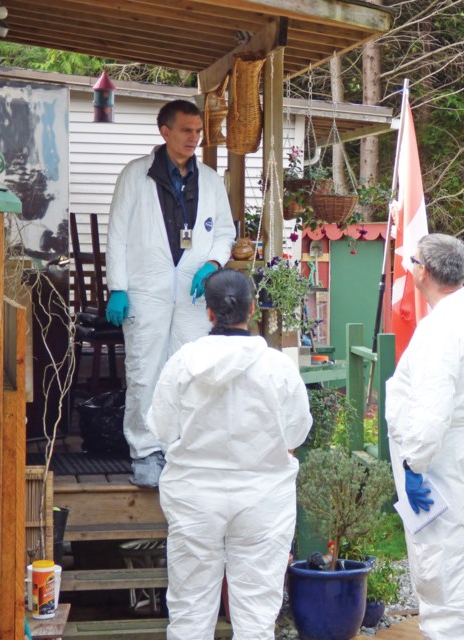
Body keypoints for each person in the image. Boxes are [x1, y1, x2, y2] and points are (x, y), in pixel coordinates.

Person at [147, 268, 312, 640]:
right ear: (251, 309)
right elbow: (298, 430)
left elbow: (160, 427)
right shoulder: (278, 367)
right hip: (263, 497)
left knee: (190, 609)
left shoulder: (183, 363)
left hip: (194, 494)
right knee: (256, 614)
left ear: (208, 312)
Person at [105, 99, 237, 487]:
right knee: (145, 371)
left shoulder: (210, 180)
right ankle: (145, 451)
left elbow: (225, 232)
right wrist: (118, 288)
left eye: (198, 131)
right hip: (145, 290)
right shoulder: (135, 175)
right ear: (165, 132)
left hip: (193, 293)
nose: (193, 138)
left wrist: (213, 264)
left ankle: (185, 448)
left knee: (192, 370)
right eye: (186, 130)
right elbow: (116, 235)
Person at [385, 234, 464, 640]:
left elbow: (434, 403)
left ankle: (454, 633)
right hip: (462, 442)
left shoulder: (444, 327)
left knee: (436, 556)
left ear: (424, 272)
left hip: (441, 453)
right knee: (451, 547)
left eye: (412, 261)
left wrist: (415, 464)